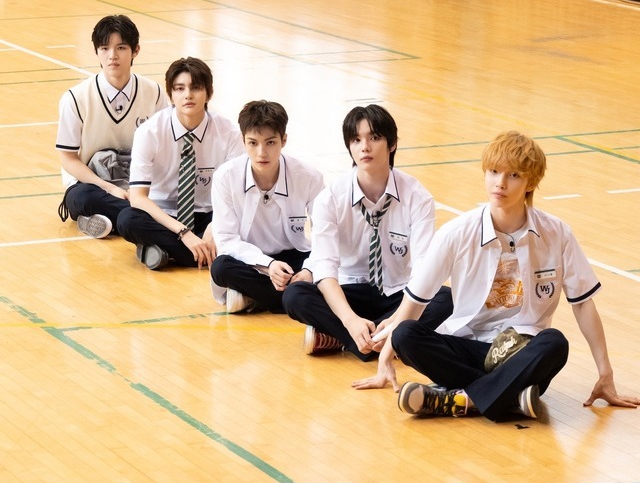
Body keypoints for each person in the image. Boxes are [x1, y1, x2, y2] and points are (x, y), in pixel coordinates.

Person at [353, 130, 640, 421]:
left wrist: (605, 374)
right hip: (467, 347)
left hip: (520, 352)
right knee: (406, 334)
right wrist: (386, 357)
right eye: (493, 172)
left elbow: (582, 304)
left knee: (554, 343)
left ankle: (459, 399)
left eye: (513, 175)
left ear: (531, 182)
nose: (500, 183)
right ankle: (507, 396)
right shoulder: (456, 232)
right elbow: (415, 301)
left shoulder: (557, 233)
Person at [282, 104, 452, 359]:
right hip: (348, 291)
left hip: (398, 292)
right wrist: (350, 321)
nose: (365, 147)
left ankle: (343, 339)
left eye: (374, 138)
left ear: (392, 144)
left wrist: (398, 318)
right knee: (295, 295)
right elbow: (325, 268)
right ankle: (389, 341)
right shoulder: (331, 198)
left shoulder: (417, 197)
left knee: (446, 298)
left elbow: (422, 269)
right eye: (356, 140)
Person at [116, 57, 243, 269]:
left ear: (209, 93)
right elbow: (138, 198)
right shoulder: (149, 132)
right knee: (127, 219)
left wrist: (215, 225)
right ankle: (208, 255)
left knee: (248, 223)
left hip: (209, 214)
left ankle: (167, 252)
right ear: (171, 94)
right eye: (180, 88)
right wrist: (183, 233)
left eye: (196, 88)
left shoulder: (229, 132)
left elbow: (237, 195)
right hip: (163, 215)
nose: (188, 95)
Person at [56, 14, 165, 238]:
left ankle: (112, 221)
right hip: (94, 184)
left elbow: (164, 149)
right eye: (104, 48)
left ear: (135, 50)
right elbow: (68, 159)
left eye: (121, 48)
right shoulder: (75, 98)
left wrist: (139, 188)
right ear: (97, 52)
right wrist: (109, 187)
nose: (112, 56)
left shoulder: (153, 92)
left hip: (139, 182)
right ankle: (150, 220)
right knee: (80, 198)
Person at [209, 100, 324, 313]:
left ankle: (257, 297)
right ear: (243, 141)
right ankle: (298, 299)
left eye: (270, 142)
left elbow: (325, 236)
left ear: (284, 140)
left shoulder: (309, 176)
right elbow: (227, 241)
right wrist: (267, 265)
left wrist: (309, 271)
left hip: (295, 258)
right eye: (253, 143)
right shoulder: (225, 177)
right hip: (252, 261)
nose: (261, 152)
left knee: (338, 266)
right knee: (221, 267)